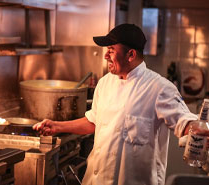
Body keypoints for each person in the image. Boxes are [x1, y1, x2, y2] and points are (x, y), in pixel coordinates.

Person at [32, 23, 206, 185]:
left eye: (111, 50)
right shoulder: (105, 82)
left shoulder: (159, 88)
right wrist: (57, 126)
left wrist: (197, 128)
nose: (106, 55)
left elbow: (185, 122)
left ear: (130, 55)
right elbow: (94, 122)